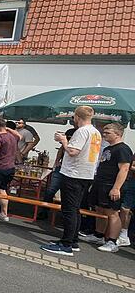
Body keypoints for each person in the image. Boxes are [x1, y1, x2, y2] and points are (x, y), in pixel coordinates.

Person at [41, 106, 102, 256]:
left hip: (74, 174)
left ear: (76, 117)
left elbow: (73, 152)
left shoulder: (81, 131)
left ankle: (66, 244)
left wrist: (63, 141)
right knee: (75, 209)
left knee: (69, 209)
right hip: (86, 174)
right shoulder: (96, 132)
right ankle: (72, 241)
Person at [78, 123, 132, 252]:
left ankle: (112, 242)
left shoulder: (122, 149)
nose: (104, 134)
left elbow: (124, 169)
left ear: (118, 134)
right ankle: (98, 235)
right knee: (99, 210)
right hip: (100, 183)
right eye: (104, 131)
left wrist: (116, 188)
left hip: (111, 185)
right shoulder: (109, 148)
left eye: (108, 132)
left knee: (112, 213)